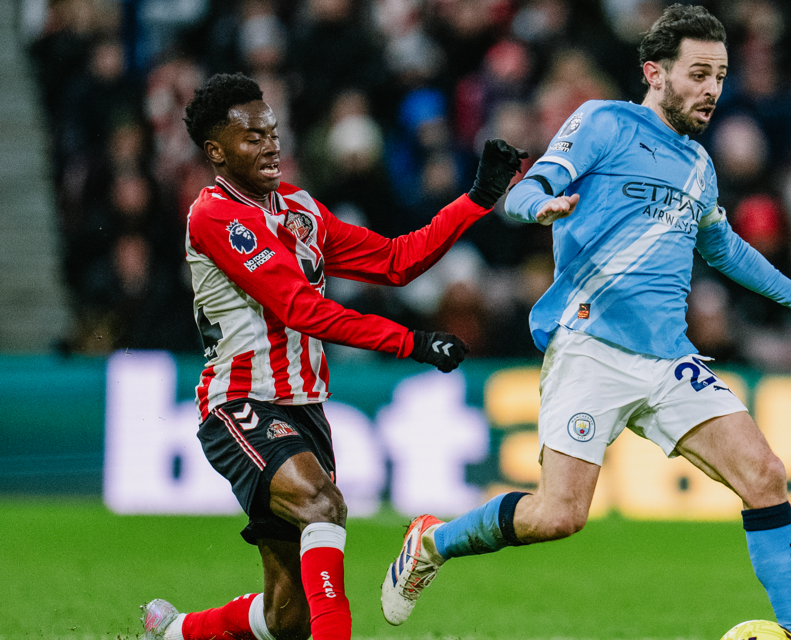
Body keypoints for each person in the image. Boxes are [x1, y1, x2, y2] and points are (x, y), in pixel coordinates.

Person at [380, 6, 791, 640]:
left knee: (766, 475)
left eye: (720, 77)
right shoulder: (604, 123)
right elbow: (525, 189)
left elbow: (724, 250)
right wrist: (540, 207)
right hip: (590, 347)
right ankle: (432, 542)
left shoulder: (699, 165)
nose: (712, 90)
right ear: (655, 73)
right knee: (558, 515)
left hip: (668, 359)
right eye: (698, 74)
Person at [139, 72, 525, 640]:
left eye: (273, 132)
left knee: (287, 616)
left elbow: (395, 261)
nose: (270, 145)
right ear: (216, 152)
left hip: (306, 408)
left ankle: (173, 632)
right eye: (252, 137)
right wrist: (411, 342)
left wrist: (477, 200)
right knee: (322, 505)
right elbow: (300, 308)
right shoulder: (216, 215)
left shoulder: (299, 208)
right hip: (241, 402)